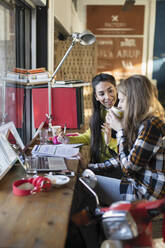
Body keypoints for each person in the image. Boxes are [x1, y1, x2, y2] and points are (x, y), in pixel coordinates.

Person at [88, 74, 165, 205]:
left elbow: (129, 168)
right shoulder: (142, 122)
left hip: (145, 194)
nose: (120, 104)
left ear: (134, 100)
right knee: (87, 177)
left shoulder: (152, 125)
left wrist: (120, 131)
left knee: (87, 183)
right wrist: (91, 166)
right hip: (136, 185)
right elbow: (124, 158)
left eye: (122, 100)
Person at [58, 73, 118, 164]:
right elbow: (90, 136)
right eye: (101, 94)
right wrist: (69, 140)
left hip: (114, 168)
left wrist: (110, 142)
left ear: (116, 89)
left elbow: (128, 151)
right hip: (99, 166)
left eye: (110, 91)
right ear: (96, 97)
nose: (108, 97)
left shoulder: (125, 114)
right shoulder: (101, 113)